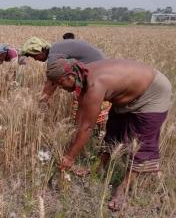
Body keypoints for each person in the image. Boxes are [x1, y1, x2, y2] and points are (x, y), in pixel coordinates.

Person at [46, 58, 172, 211]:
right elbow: (81, 115)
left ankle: (123, 189)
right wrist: (71, 138)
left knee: (141, 143)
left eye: (60, 83)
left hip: (153, 92)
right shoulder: (82, 76)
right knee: (113, 131)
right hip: (129, 94)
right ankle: (98, 167)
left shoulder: (95, 84)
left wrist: (70, 157)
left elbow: (87, 127)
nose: (60, 87)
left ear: (70, 76)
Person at [21, 36, 110, 127]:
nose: (35, 59)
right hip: (102, 66)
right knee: (83, 101)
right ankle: (80, 127)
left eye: (34, 56)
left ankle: (87, 127)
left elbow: (50, 84)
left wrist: (40, 106)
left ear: (42, 50)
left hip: (98, 70)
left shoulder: (53, 56)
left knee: (86, 101)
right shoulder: (56, 48)